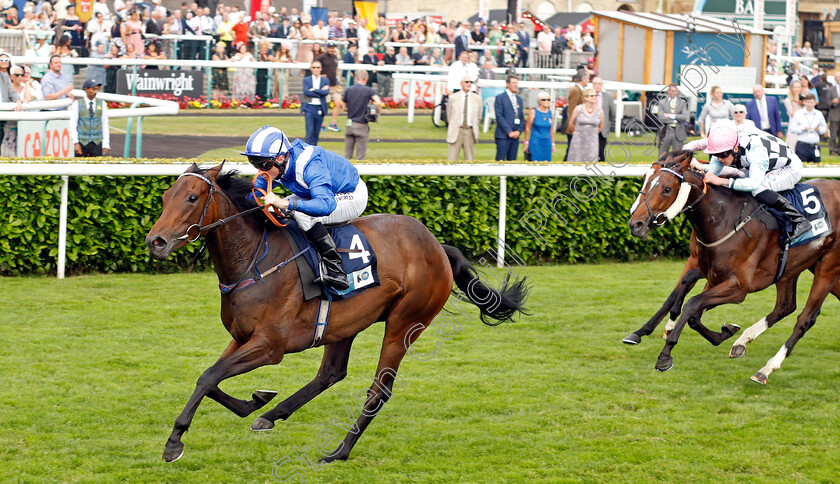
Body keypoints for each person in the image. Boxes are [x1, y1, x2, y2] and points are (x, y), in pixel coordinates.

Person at [244, 126, 368, 290]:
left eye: (263, 165)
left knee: (300, 213)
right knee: (278, 209)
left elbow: (326, 205)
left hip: (350, 195)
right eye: (254, 164)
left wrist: (285, 203)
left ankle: (336, 269)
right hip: (321, 194)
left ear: (281, 158)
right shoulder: (276, 166)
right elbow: (251, 197)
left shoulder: (308, 165)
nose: (259, 171)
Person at [701, 122, 810, 241]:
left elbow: (754, 183)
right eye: (715, 154)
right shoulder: (725, 149)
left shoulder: (756, 151)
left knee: (757, 188)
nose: (720, 158)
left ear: (735, 148)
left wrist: (723, 181)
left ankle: (799, 220)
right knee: (739, 180)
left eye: (723, 154)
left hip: (790, 167)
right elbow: (711, 174)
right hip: (766, 165)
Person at [342, 69, 381, 160]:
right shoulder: (369, 90)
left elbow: (344, 107)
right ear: (366, 79)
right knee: (360, 157)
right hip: (362, 124)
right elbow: (378, 103)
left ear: (356, 78)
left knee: (347, 155)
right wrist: (377, 114)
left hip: (350, 124)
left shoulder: (348, 89)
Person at [69, 79, 110, 157]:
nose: (95, 92)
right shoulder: (77, 104)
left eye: (97, 89)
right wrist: (76, 142)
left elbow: (104, 124)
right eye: (93, 89)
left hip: (97, 142)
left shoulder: (102, 103)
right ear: (86, 89)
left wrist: (106, 143)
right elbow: (73, 125)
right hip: (82, 142)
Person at [446, 75, 481, 161]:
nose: (469, 84)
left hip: (470, 131)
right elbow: (449, 115)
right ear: (461, 83)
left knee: (470, 159)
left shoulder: (477, 98)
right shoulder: (453, 97)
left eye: (470, 82)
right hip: (456, 131)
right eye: (466, 82)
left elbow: (479, 117)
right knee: (452, 159)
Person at [788, 93, 827, 163]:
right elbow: (792, 129)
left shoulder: (818, 114)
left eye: (812, 102)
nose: (810, 104)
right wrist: (803, 128)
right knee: (802, 167)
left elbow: (824, 128)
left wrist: (819, 130)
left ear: (815, 103)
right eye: (808, 102)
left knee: (817, 167)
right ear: (804, 102)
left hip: (814, 146)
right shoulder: (798, 114)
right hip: (802, 145)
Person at [566, 88, 602, 163]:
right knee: (576, 159)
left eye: (595, 95)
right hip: (578, 139)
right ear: (586, 97)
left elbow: (600, 126)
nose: (594, 97)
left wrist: (592, 133)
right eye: (591, 96)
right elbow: (571, 123)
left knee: (591, 159)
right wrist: (578, 132)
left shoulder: (600, 111)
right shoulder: (578, 109)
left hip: (592, 140)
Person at [494, 74, 524, 161]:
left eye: (517, 83)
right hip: (503, 136)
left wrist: (518, 131)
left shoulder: (519, 99)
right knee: (500, 161)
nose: (516, 85)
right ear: (508, 84)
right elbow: (499, 116)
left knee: (512, 161)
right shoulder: (500, 98)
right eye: (513, 83)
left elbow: (521, 117)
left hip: (515, 137)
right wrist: (509, 131)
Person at [656, 84, 690, 155]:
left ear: (677, 92)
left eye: (675, 91)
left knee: (678, 156)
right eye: (671, 91)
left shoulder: (682, 102)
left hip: (679, 132)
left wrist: (670, 115)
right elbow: (661, 118)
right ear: (668, 91)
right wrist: (676, 120)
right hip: (665, 132)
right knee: (662, 155)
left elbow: (684, 117)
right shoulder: (662, 102)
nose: (673, 92)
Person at [302, 60, 329, 145]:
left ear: (321, 69)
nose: (316, 69)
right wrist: (320, 92)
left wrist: (314, 90)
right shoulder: (307, 79)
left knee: (316, 133)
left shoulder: (325, 80)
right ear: (311, 69)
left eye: (318, 67)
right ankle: (308, 151)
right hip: (309, 107)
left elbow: (326, 92)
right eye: (314, 67)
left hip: (320, 108)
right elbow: (306, 92)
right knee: (309, 132)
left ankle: (314, 151)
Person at [317, 41, 343, 132]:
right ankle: (321, 124)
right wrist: (320, 75)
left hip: (334, 85)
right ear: (327, 48)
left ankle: (333, 123)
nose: (331, 49)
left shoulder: (335, 57)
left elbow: (336, 67)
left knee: (338, 103)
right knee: (324, 105)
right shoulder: (322, 57)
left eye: (333, 48)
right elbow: (314, 66)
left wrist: (337, 74)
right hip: (325, 85)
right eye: (330, 47)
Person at [563, 70, 589, 161]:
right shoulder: (575, 90)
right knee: (571, 150)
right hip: (574, 126)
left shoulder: (580, 90)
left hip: (578, 126)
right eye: (587, 79)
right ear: (583, 79)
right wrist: (572, 126)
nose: (588, 81)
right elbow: (572, 109)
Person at [523, 91, 555, 161]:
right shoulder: (533, 112)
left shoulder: (550, 113)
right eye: (544, 100)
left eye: (548, 100)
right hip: (536, 141)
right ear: (539, 101)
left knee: (546, 162)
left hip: (547, 142)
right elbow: (527, 128)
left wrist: (553, 144)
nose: (546, 101)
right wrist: (526, 142)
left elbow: (552, 129)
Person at [592, 77, 615, 162]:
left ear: (602, 85)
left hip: (603, 128)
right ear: (592, 85)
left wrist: (606, 122)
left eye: (599, 84)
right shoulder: (587, 96)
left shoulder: (608, 97)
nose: (597, 86)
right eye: (595, 84)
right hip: (590, 127)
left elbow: (612, 112)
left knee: (601, 151)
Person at [784, 80, 804, 147]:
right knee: (792, 145)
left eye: (798, 87)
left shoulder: (804, 99)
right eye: (795, 87)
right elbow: (793, 114)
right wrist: (795, 102)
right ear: (791, 88)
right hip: (793, 124)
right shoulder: (788, 100)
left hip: (803, 124)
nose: (797, 89)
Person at [825, 72, 840, 156]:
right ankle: (833, 150)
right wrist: (833, 102)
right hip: (834, 115)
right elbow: (827, 102)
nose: (838, 79)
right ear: (834, 79)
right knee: (833, 135)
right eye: (837, 77)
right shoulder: (831, 89)